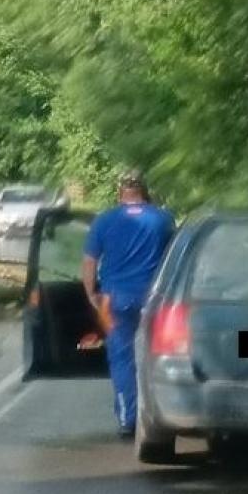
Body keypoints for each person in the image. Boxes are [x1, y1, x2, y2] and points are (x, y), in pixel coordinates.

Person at [81, 169, 175, 438]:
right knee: (156, 356)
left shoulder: (104, 220)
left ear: (120, 193)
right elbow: (175, 256)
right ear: (144, 192)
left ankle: (128, 419)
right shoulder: (163, 219)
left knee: (122, 359)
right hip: (154, 299)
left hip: (114, 300)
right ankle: (160, 414)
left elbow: (89, 262)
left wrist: (91, 294)